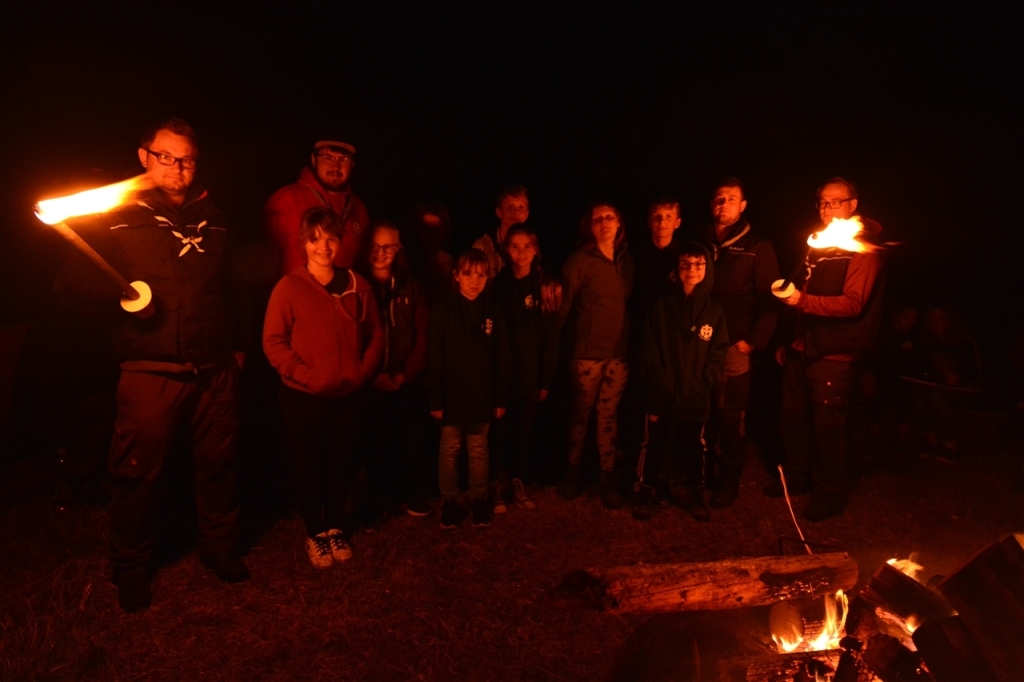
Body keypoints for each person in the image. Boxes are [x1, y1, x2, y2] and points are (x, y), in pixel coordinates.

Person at [83, 118, 248, 611]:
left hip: (214, 367)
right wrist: (119, 296)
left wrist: (238, 345)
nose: (177, 168)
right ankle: (131, 566)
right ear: (144, 156)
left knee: (219, 464)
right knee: (137, 473)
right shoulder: (115, 215)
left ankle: (219, 546)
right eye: (166, 157)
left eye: (187, 160)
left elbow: (234, 284)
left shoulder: (214, 215)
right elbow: (74, 283)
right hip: (150, 369)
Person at [263, 207, 384, 569]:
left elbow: (376, 333)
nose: (323, 246)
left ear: (339, 241)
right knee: (310, 464)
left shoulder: (357, 285)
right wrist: (308, 376)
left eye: (330, 238)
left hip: (348, 393)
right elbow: (273, 342)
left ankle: (334, 527)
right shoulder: (290, 287)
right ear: (304, 242)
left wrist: (361, 371)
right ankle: (315, 532)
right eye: (315, 239)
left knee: (341, 462)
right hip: (304, 395)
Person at [773, 177, 885, 521]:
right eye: (823, 202)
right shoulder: (819, 243)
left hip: (834, 353)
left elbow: (853, 303)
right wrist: (788, 337)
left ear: (853, 205)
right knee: (794, 419)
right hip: (801, 347)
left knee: (828, 429)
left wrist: (800, 300)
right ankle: (796, 479)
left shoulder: (863, 249)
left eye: (836, 201)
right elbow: (802, 287)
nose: (828, 208)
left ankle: (829, 495)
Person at [699, 178, 780, 508]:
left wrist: (754, 341)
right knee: (700, 411)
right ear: (711, 204)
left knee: (730, 416)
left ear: (743, 205)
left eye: (731, 199)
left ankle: (729, 479)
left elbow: (771, 298)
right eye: (719, 198)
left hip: (734, 345)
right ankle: (701, 472)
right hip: (698, 345)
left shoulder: (758, 246)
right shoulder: (700, 241)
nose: (724, 204)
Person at [637, 243, 730, 521]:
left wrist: (706, 378)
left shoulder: (714, 310)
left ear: (707, 268)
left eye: (699, 264)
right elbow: (649, 346)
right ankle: (649, 490)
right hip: (662, 391)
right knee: (656, 443)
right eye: (686, 264)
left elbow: (719, 350)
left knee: (694, 446)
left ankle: (696, 493)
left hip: (695, 392)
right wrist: (659, 379)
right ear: (677, 269)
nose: (692, 270)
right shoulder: (661, 305)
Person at [426, 249, 512, 529]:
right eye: (468, 274)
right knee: (450, 449)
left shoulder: (493, 311)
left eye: (481, 275)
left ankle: (478, 500)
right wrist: (435, 398)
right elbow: (435, 356)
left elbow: (503, 356)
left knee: (478, 449)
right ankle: (449, 502)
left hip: (482, 395)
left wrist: (500, 397)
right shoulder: (444, 310)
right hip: (451, 396)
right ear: (456, 276)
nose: (475, 281)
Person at [558, 203, 635, 509]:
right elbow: (563, 306)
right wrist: (552, 347)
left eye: (609, 217)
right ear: (589, 227)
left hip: (618, 352)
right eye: (597, 219)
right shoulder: (579, 261)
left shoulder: (627, 261)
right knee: (580, 413)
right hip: (586, 353)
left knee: (608, 415)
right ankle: (572, 471)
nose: (604, 222)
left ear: (619, 223)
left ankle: (607, 478)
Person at [358, 220, 433, 517]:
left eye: (388, 246)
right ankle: (377, 497)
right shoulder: (356, 284)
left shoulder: (411, 287)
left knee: (409, 439)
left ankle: (410, 493)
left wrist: (404, 374)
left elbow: (422, 335)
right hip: (369, 379)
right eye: (375, 246)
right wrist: (372, 375)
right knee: (373, 440)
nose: (381, 253)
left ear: (398, 248)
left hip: (405, 379)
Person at [490, 223, 563, 512]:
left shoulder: (547, 286)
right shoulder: (497, 285)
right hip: (500, 373)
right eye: (515, 246)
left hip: (530, 374)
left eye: (527, 246)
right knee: (497, 431)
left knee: (522, 431)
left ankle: (516, 480)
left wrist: (545, 379)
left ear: (535, 250)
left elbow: (551, 337)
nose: (521, 252)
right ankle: (493, 483)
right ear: (506, 250)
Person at [626, 199, 684, 510]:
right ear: (649, 223)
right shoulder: (635, 255)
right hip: (641, 342)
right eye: (657, 217)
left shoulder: (685, 257)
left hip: (674, 345)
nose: (662, 222)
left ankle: (663, 475)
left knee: (670, 411)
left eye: (668, 216)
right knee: (643, 412)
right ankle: (638, 477)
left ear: (677, 222)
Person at [265, 134, 370, 276]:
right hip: (294, 290)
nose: (335, 166)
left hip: (344, 291)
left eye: (344, 159)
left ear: (352, 165)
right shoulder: (285, 200)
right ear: (314, 160)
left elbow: (364, 264)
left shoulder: (358, 208)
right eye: (327, 158)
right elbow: (260, 262)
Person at [472, 185, 530, 279]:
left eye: (521, 207)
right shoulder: (483, 246)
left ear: (527, 214)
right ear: (499, 212)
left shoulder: (531, 245)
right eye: (510, 207)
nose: (516, 212)